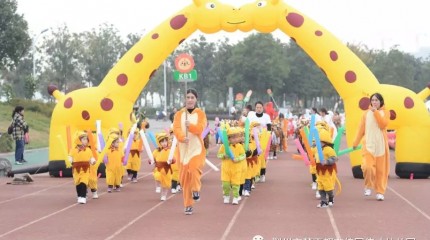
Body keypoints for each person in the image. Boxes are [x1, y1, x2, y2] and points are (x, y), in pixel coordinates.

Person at [172, 88, 207, 215]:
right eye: (188, 97)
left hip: (196, 149)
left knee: (194, 169)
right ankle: (188, 204)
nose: (190, 100)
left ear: (196, 99)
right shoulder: (179, 114)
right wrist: (182, 137)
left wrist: (190, 127)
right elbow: (176, 129)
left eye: (192, 97)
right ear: (184, 99)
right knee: (184, 180)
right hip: (182, 150)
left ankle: (196, 189)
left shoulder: (200, 114)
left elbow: (200, 129)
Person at [352, 92, 390, 201]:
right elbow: (361, 130)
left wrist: (376, 113)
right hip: (368, 145)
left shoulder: (385, 113)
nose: (374, 102)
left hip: (381, 146)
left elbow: (383, 124)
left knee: (380, 171)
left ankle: (380, 191)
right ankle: (368, 186)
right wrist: (355, 142)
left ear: (381, 102)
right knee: (367, 167)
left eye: (376, 100)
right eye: (372, 100)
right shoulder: (365, 114)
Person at [217, 127, 246, 205]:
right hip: (226, 169)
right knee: (225, 184)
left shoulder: (239, 146)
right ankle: (226, 196)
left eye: (237, 137)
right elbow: (218, 155)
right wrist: (224, 156)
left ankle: (235, 197)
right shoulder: (224, 147)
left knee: (235, 184)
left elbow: (243, 155)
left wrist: (237, 159)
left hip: (236, 169)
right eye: (233, 137)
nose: (236, 139)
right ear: (228, 138)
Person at [68, 131, 96, 204]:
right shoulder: (73, 150)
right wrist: (69, 160)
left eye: (86, 139)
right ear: (78, 140)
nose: (86, 141)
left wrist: (93, 161)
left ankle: (83, 197)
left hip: (85, 169)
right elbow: (70, 156)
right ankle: (79, 196)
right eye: (83, 139)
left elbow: (91, 157)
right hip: (76, 170)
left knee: (84, 182)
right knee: (78, 183)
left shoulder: (88, 150)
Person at [152, 132, 174, 201]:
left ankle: (163, 195)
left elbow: (174, 159)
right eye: (162, 142)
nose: (164, 143)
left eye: (165, 141)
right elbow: (153, 158)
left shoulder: (170, 150)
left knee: (166, 185)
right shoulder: (156, 151)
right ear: (159, 143)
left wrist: (172, 160)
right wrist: (151, 161)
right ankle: (158, 186)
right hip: (158, 168)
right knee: (157, 176)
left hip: (167, 169)